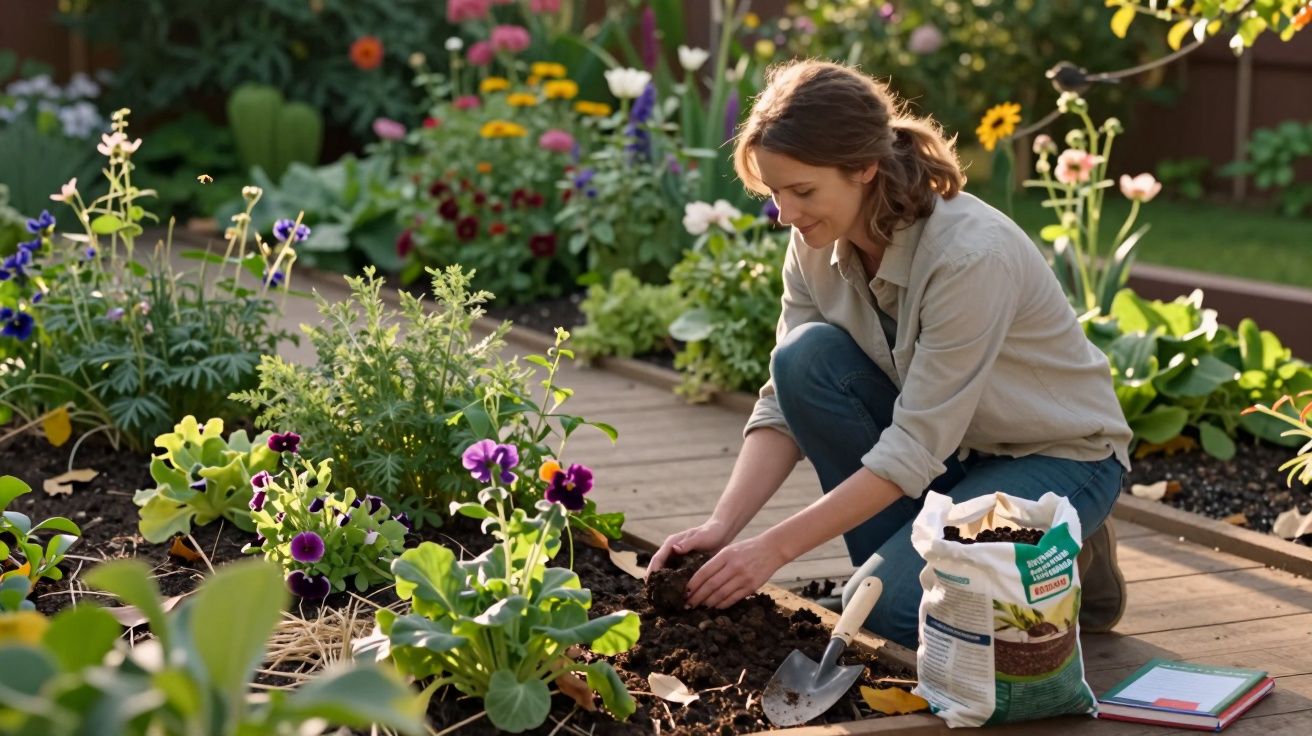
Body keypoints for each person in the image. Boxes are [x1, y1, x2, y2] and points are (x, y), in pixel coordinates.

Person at [647, 60, 1133, 652]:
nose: (785, 214)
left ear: (864, 168)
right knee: (804, 360)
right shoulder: (814, 241)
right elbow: (783, 403)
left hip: (1055, 457)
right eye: (774, 192)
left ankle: (1070, 551)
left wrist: (773, 549)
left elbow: (912, 448)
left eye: (802, 191)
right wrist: (723, 529)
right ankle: (909, 568)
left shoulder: (969, 257)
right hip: (951, 457)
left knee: (900, 616)